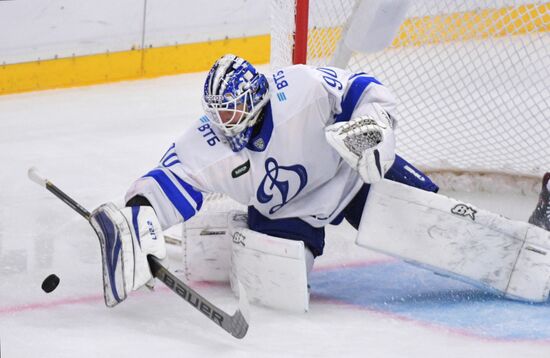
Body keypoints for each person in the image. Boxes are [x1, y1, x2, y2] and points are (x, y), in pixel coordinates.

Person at [89, 54, 550, 307]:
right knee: (279, 297)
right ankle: (228, 239)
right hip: (286, 216)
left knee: (445, 228)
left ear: (255, 97)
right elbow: (168, 181)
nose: (224, 121)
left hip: (351, 173)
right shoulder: (207, 142)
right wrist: (138, 221)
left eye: (231, 110)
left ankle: (536, 247)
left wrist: (372, 132)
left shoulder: (302, 86)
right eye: (217, 113)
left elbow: (365, 90)